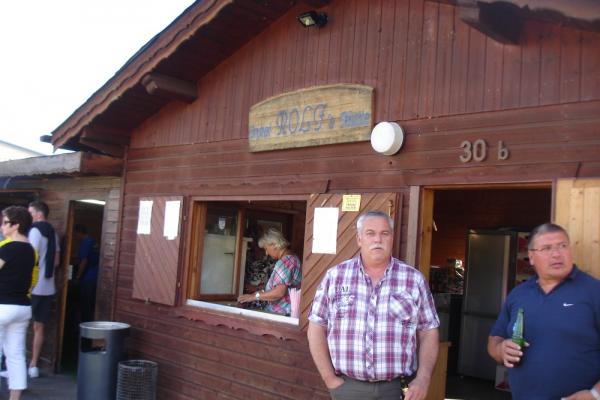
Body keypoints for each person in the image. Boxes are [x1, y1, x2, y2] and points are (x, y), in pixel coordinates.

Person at [307, 210, 440, 400]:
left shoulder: (413, 280)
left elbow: (429, 331)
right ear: (359, 239)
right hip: (348, 388)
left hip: (398, 390)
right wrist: (329, 378)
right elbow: (316, 326)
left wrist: (423, 379)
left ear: (392, 238)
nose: (378, 239)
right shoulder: (335, 277)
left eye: (384, 233)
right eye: (370, 233)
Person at [488, 223, 600, 400]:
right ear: (531, 257)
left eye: (562, 246)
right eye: (547, 248)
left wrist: (595, 394)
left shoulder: (594, 291)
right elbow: (494, 340)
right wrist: (501, 349)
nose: (556, 254)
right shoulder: (519, 294)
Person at [0, 206, 36, 400]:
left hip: (2, 306)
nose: (2, 227)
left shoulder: (7, 247)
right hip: (22, 307)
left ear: (16, 225)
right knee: (16, 356)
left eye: (5, 222)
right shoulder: (30, 250)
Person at [27, 200, 60, 378]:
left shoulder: (35, 230)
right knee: (39, 327)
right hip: (48, 286)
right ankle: (33, 365)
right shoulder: (53, 233)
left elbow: (30, 258)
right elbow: (56, 261)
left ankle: (9, 363)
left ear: (38, 214)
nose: (28, 216)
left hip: (32, 287)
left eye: (30, 213)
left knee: (18, 325)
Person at [237, 228, 301, 316]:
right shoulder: (292, 257)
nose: (266, 253)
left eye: (266, 249)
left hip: (281, 312)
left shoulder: (285, 262)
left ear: (274, 245)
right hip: (284, 312)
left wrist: (254, 296)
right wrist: (260, 292)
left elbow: (279, 292)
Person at [73, 224, 99, 322]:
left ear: (79, 232)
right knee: (91, 303)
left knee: (85, 305)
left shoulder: (85, 242)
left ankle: (85, 325)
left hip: (88, 278)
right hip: (95, 276)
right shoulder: (92, 241)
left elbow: (84, 260)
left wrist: (78, 276)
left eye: (75, 234)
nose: (75, 236)